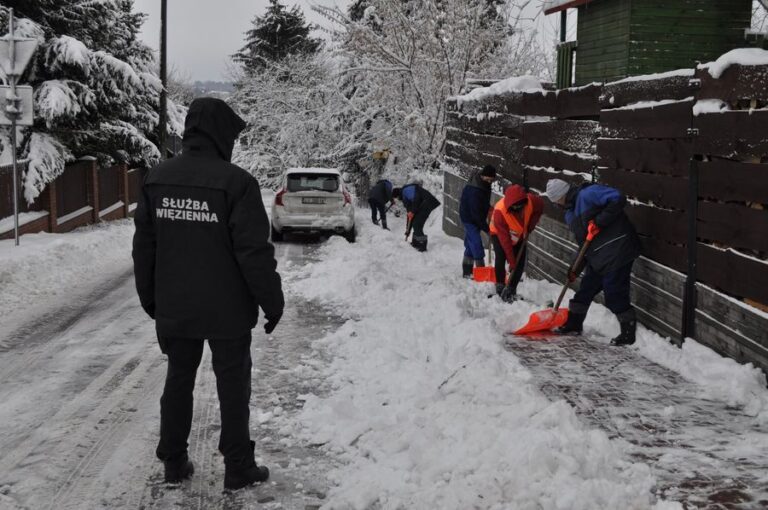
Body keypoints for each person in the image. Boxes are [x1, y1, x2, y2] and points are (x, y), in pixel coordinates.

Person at [132, 98, 284, 490]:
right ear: (221, 135)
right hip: (228, 312)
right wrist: (272, 300)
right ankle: (238, 466)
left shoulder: (156, 179)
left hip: (176, 306)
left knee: (178, 378)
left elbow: (144, 247)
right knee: (233, 386)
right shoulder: (237, 183)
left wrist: (151, 299)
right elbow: (253, 252)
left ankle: (174, 460)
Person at [544, 178, 640, 346]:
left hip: (618, 247)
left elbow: (618, 198)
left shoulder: (588, 194)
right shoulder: (569, 214)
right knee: (585, 289)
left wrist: (598, 221)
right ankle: (574, 324)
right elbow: (583, 243)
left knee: (614, 292)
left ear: (561, 195)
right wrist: (575, 267)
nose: (555, 203)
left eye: (555, 199)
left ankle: (628, 332)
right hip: (597, 256)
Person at [489, 184, 544, 301]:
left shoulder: (530, 200)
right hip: (499, 233)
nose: (519, 209)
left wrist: (531, 224)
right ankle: (500, 286)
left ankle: (511, 290)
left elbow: (541, 206)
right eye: (515, 208)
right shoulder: (500, 211)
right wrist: (511, 261)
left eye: (521, 207)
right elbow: (505, 241)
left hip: (518, 234)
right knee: (501, 256)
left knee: (520, 261)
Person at [459, 165, 496, 278]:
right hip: (469, 218)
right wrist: (487, 229)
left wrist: (488, 207)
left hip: (476, 216)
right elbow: (476, 213)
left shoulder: (482, 184)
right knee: (476, 243)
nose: (489, 181)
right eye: (487, 179)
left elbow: (481, 203)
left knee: (470, 245)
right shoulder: (475, 190)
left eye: (491, 180)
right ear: (482, 175)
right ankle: (481, 270)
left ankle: (467, 271)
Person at [392, 183, 440, 252]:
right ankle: (415, 243)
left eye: (396, 198)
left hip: (427, 201)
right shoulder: (405, 199)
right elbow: (409, 216)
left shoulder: (406, 190)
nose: (397, 199)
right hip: (422, 204)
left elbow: (417, 198)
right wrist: (407, 230)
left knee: (417, 224)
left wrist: (413, 211)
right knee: (414, 222)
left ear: (397, 195)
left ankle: (422, 244)